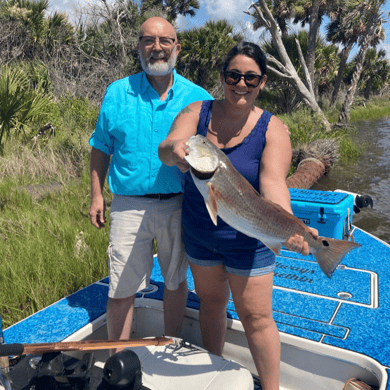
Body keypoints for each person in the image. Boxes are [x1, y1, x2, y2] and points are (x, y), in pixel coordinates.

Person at [159, 42, 317, 390]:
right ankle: (215, 375)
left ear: (262, 83)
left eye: (250, 77)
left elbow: (273, 184)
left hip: (251, 238)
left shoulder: (272, 129)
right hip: (201, 235)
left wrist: (291, 228)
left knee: (257, 318)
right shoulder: (197, 112)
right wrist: (176, 151)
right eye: (233, 75)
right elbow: (168, 147)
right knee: (212, 304)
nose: (240, 84)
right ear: (222, 77)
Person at [88, 16, 213, 350]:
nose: (157, 47)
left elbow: (217, 149)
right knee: (121, 287)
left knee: (175, 281)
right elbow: (101, 147)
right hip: (129, 205)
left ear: (177, 48)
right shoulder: (117, 92)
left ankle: (168, 345)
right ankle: (117, 354)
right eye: (148, 40)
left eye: (165, 41)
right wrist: (96, 195)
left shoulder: (198, 97)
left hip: (179, 203)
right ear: (139, 46)